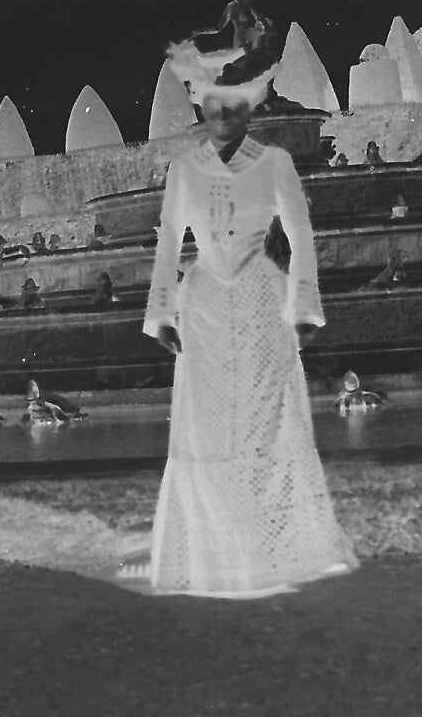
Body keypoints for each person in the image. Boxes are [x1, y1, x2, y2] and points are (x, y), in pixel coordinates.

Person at [133, 48, 357, 599]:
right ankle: (214, 559)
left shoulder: (275, 162)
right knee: (206, 432)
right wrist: (161, 313)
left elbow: (301, 236)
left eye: (234, 105)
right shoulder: (184, 168)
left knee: (264, 427)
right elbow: (169, 243)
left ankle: (271, 550)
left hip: (261, 301)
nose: (223, 114)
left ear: (249, 107)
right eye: (213, 104)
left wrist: (303, 309)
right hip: (203, 303)